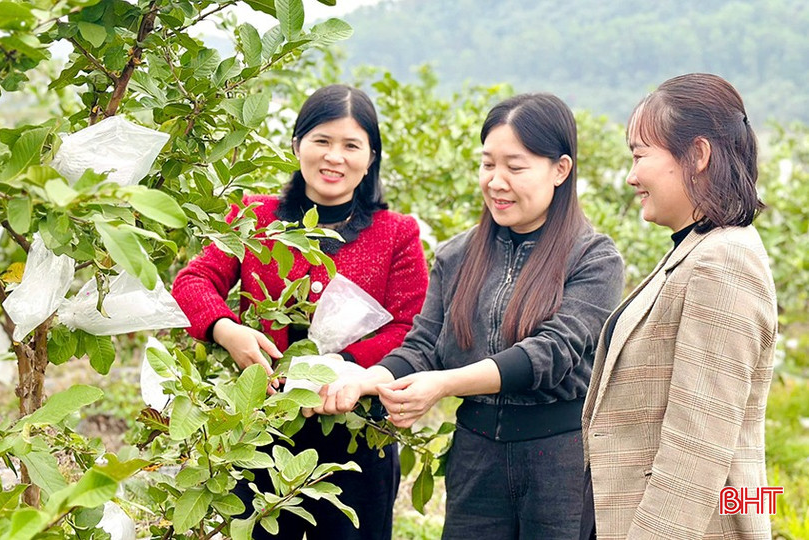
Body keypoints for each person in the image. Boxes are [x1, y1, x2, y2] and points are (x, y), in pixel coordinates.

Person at [313, 93, 624, 539]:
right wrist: (364, 379)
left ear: (560, 169)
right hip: (476, 460)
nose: (497, 181)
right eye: (487, 164)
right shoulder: (457, 255)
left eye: (515, 167)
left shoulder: (593, 258)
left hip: (559, 462)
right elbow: (424, 347)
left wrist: (445, 385)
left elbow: (551, 353)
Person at [172, 84, 429, 540]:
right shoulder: (253, 217)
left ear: (371, 158)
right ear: (297, 145)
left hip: (359, 427)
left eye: (352, 146)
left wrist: (345, 368)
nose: (335, 157)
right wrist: (225, 328)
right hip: (263, 428)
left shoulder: (397, 234)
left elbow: (412, 326)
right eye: (322, 141)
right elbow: (192, 282)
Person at [580, 73, 778, 539]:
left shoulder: (724, 262)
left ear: (699, 155)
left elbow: (697, 445)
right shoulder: (695, 248)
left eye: (640, 155)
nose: (631, 176)